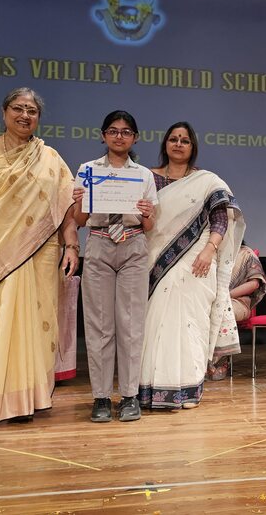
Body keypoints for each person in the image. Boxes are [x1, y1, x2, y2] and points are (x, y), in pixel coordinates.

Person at [0, 87, 79, 426]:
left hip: (40, 254)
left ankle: (24, 401)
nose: (25, 115)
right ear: (5, 112)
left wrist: (72, 245)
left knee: (33, 323)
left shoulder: (50, 158)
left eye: (32, 111)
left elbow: (67, 208)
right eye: (18, 108)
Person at [139, 121, 245, 409]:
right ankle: (151, 390)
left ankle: (187, 390)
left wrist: (210, 250)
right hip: (154, 262)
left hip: (197, 261)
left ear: (192, 146)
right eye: (173, 139)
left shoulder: (207, 181)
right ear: (165, 144)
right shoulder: (148, 178)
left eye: (184, 140)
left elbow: (221, 219)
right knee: (156, 323)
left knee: (190, 325)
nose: (178, 144)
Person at [76, 110, 158, 423]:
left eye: (125, 132)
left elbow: (149, 225)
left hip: (133, 245)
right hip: (99, 242)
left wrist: (147, 213)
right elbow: (79, 220)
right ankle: (100, 397)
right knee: (99, 324)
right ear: (103, 135)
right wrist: (79, 201)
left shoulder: (143, 175)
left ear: (134, 138)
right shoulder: (88, 170)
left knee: (131, 324)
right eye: (113, 131)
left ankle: (129, 396)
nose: (119, 136)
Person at [206, 241, 266, 381]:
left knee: (221, 312)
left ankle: (218, 361)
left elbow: (254, 284)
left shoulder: (246, 254)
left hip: (237, 302)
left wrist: (226, 296)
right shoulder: (212, 253)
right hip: (212, 301)